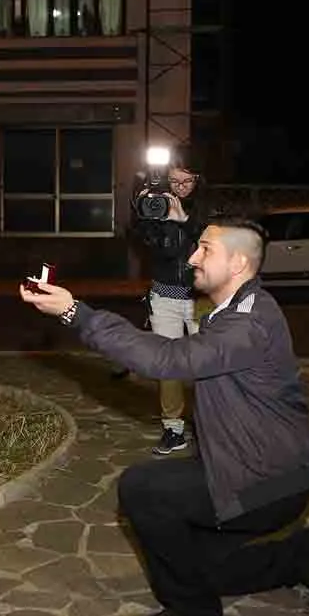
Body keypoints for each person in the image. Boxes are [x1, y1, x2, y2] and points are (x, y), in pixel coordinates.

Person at [21, 219, 309, 616]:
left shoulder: (248, 324)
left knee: (143, 489)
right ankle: (305, 554)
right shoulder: (235, 310)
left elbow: (165, 359)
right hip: (254, 469)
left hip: (269, 483)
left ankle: (193, 613)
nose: (191, 258)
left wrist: (77, 313)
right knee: (194, 564)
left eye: (205, 249)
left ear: (239, 262)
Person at [130, 161, 210, 456]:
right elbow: (158, 250)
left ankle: (211, 424)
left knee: (207, 362)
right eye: (174, 182)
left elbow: (209, 245)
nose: (180, 188)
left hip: (201, 298)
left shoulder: (206, 209)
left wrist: (184, 220)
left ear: (197, 181)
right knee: (169, 365)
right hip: (164, 297)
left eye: (186, 182)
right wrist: (151, 210)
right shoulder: (154, 206)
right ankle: (173, 428)